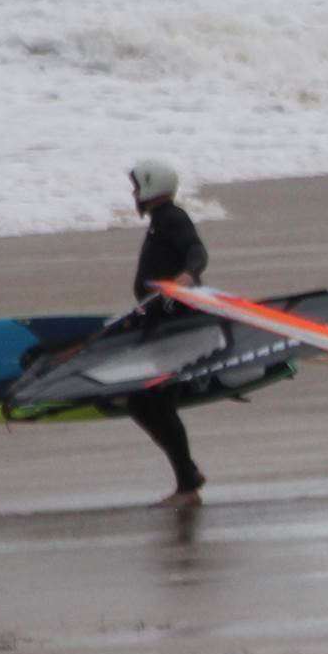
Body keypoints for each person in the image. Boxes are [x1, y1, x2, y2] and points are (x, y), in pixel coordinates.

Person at [123, 156, 209, 504]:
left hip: (177, 328)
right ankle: (188, 474)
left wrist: (187, 276)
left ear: (150, 188)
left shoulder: (173, 218)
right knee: (143, 403)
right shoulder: (160, 222)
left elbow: (197, 251)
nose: (133, 194)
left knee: (152, 403)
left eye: (136, 188)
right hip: (160, 326)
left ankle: (187, 486)